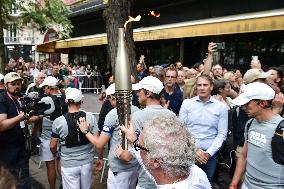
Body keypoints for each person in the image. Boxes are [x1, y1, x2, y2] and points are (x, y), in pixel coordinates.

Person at [78, 83, 140, 189]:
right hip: (135, 165)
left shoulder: (113, 114)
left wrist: (86, 131)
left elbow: (100, 143)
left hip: (119, 168)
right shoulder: (137, 110)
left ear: (112, 97)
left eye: (108, 98)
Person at [121, 116, 211, 189]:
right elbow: (151, 165)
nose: (138, 148)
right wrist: (134, 141)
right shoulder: (195, 171)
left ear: (155, 161)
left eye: (139, 147)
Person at [229, 82, 284, 189]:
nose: (243, 107)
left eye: (247, 103)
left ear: (262, 103)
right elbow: (244, 156)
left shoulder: (281, 128)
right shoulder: (250, 124)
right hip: (247, 185)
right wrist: (234, 184)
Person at [179, 75, 228, 182]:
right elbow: (181, 129)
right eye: (199, 85)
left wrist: (208, 153)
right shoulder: (187, 104)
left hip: (209, 156)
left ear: (211, 87)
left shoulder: (221, 107)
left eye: (205, 85)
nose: (202, 88)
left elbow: (222, 134)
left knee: (205, 184)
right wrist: (194, 150)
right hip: (188, 152)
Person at [50, 88, 99, 189]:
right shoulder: (90, 117)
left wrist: (55, 154)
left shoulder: (58, 121)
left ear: (66, 101)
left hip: (68, 163)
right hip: (87, 162)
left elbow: (52, 145)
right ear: (81, 101)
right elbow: (97, 141)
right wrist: (101, 157)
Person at [0, 72, 36, 188]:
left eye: (19, 83)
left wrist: (33, 118)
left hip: (23, 146)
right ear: (6, 85)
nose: (17, 86)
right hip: (7, 149)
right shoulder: (2, 100)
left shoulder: (22, 97)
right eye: (13, 84)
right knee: (9, 180)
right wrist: (20, 117)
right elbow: (1, 125)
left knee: (24, 180)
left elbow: (31, 116)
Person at [37, 76, 68, 189]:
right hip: (63, 135)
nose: (44, 90)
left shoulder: (46, 100)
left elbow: (36, 116)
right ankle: (67, 185)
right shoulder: (65, 97)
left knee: (50, 165)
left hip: (48, 137)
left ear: (50, 87)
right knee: (60, 162)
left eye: (45, 87)